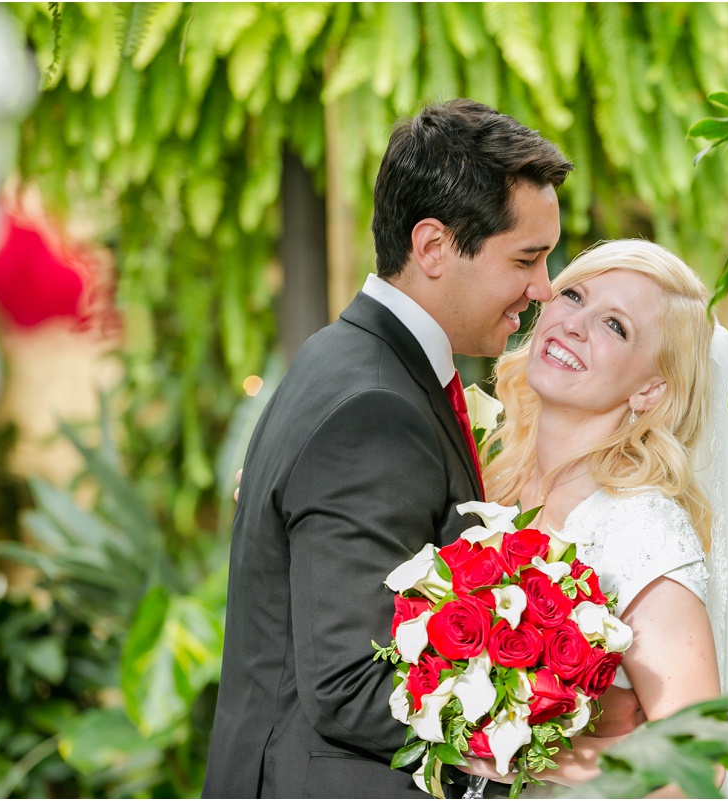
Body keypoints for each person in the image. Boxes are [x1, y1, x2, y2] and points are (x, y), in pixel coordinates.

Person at [203, 99, 574, 798]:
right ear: (433, 246)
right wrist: (530, 730)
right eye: (527, 258)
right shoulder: (374, 409)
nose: (542, 288)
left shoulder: (343, 358)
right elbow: (348, 681)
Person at [462, 239, 728, 798]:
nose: (574, 324)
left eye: (615, 326)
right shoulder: (494, 488)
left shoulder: (642, 531)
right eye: (573, 295)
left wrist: (536, 758)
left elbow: (699, 767)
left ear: (651, 389)